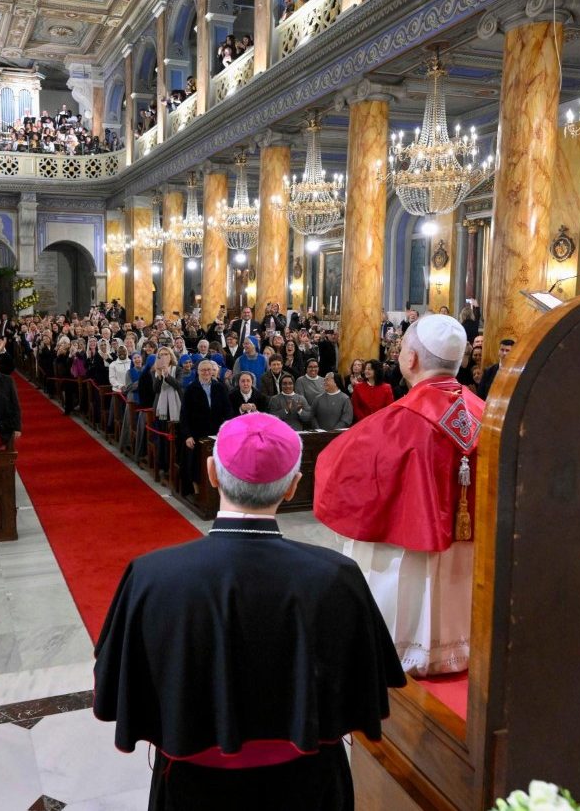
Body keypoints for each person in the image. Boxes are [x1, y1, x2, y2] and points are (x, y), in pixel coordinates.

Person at [94, 413, 404, 809]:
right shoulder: (337, 577)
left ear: (211, 473)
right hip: (307, 785)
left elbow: (115, 685)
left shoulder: (151, 577)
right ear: (293, 486)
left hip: (195, 789)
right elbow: (366, 686)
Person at [313, 314, 484, 677]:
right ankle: (460, 645)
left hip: (407, 548)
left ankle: (408, 651)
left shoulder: (397, 421)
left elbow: (337, 465)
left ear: (411, 359)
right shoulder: (487, 414)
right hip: (471, 549)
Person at [178, 360, 233, 494]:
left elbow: (228, 410)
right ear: (198, 372)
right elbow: (184, 414)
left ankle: (218, 490)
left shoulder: (219, 387)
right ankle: (197, 490)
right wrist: (187, 435)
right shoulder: (191, 389)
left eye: (209, 370)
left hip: (216, 431)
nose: (207, 372)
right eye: (203, 370)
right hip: (196, 432)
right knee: (195, 460)